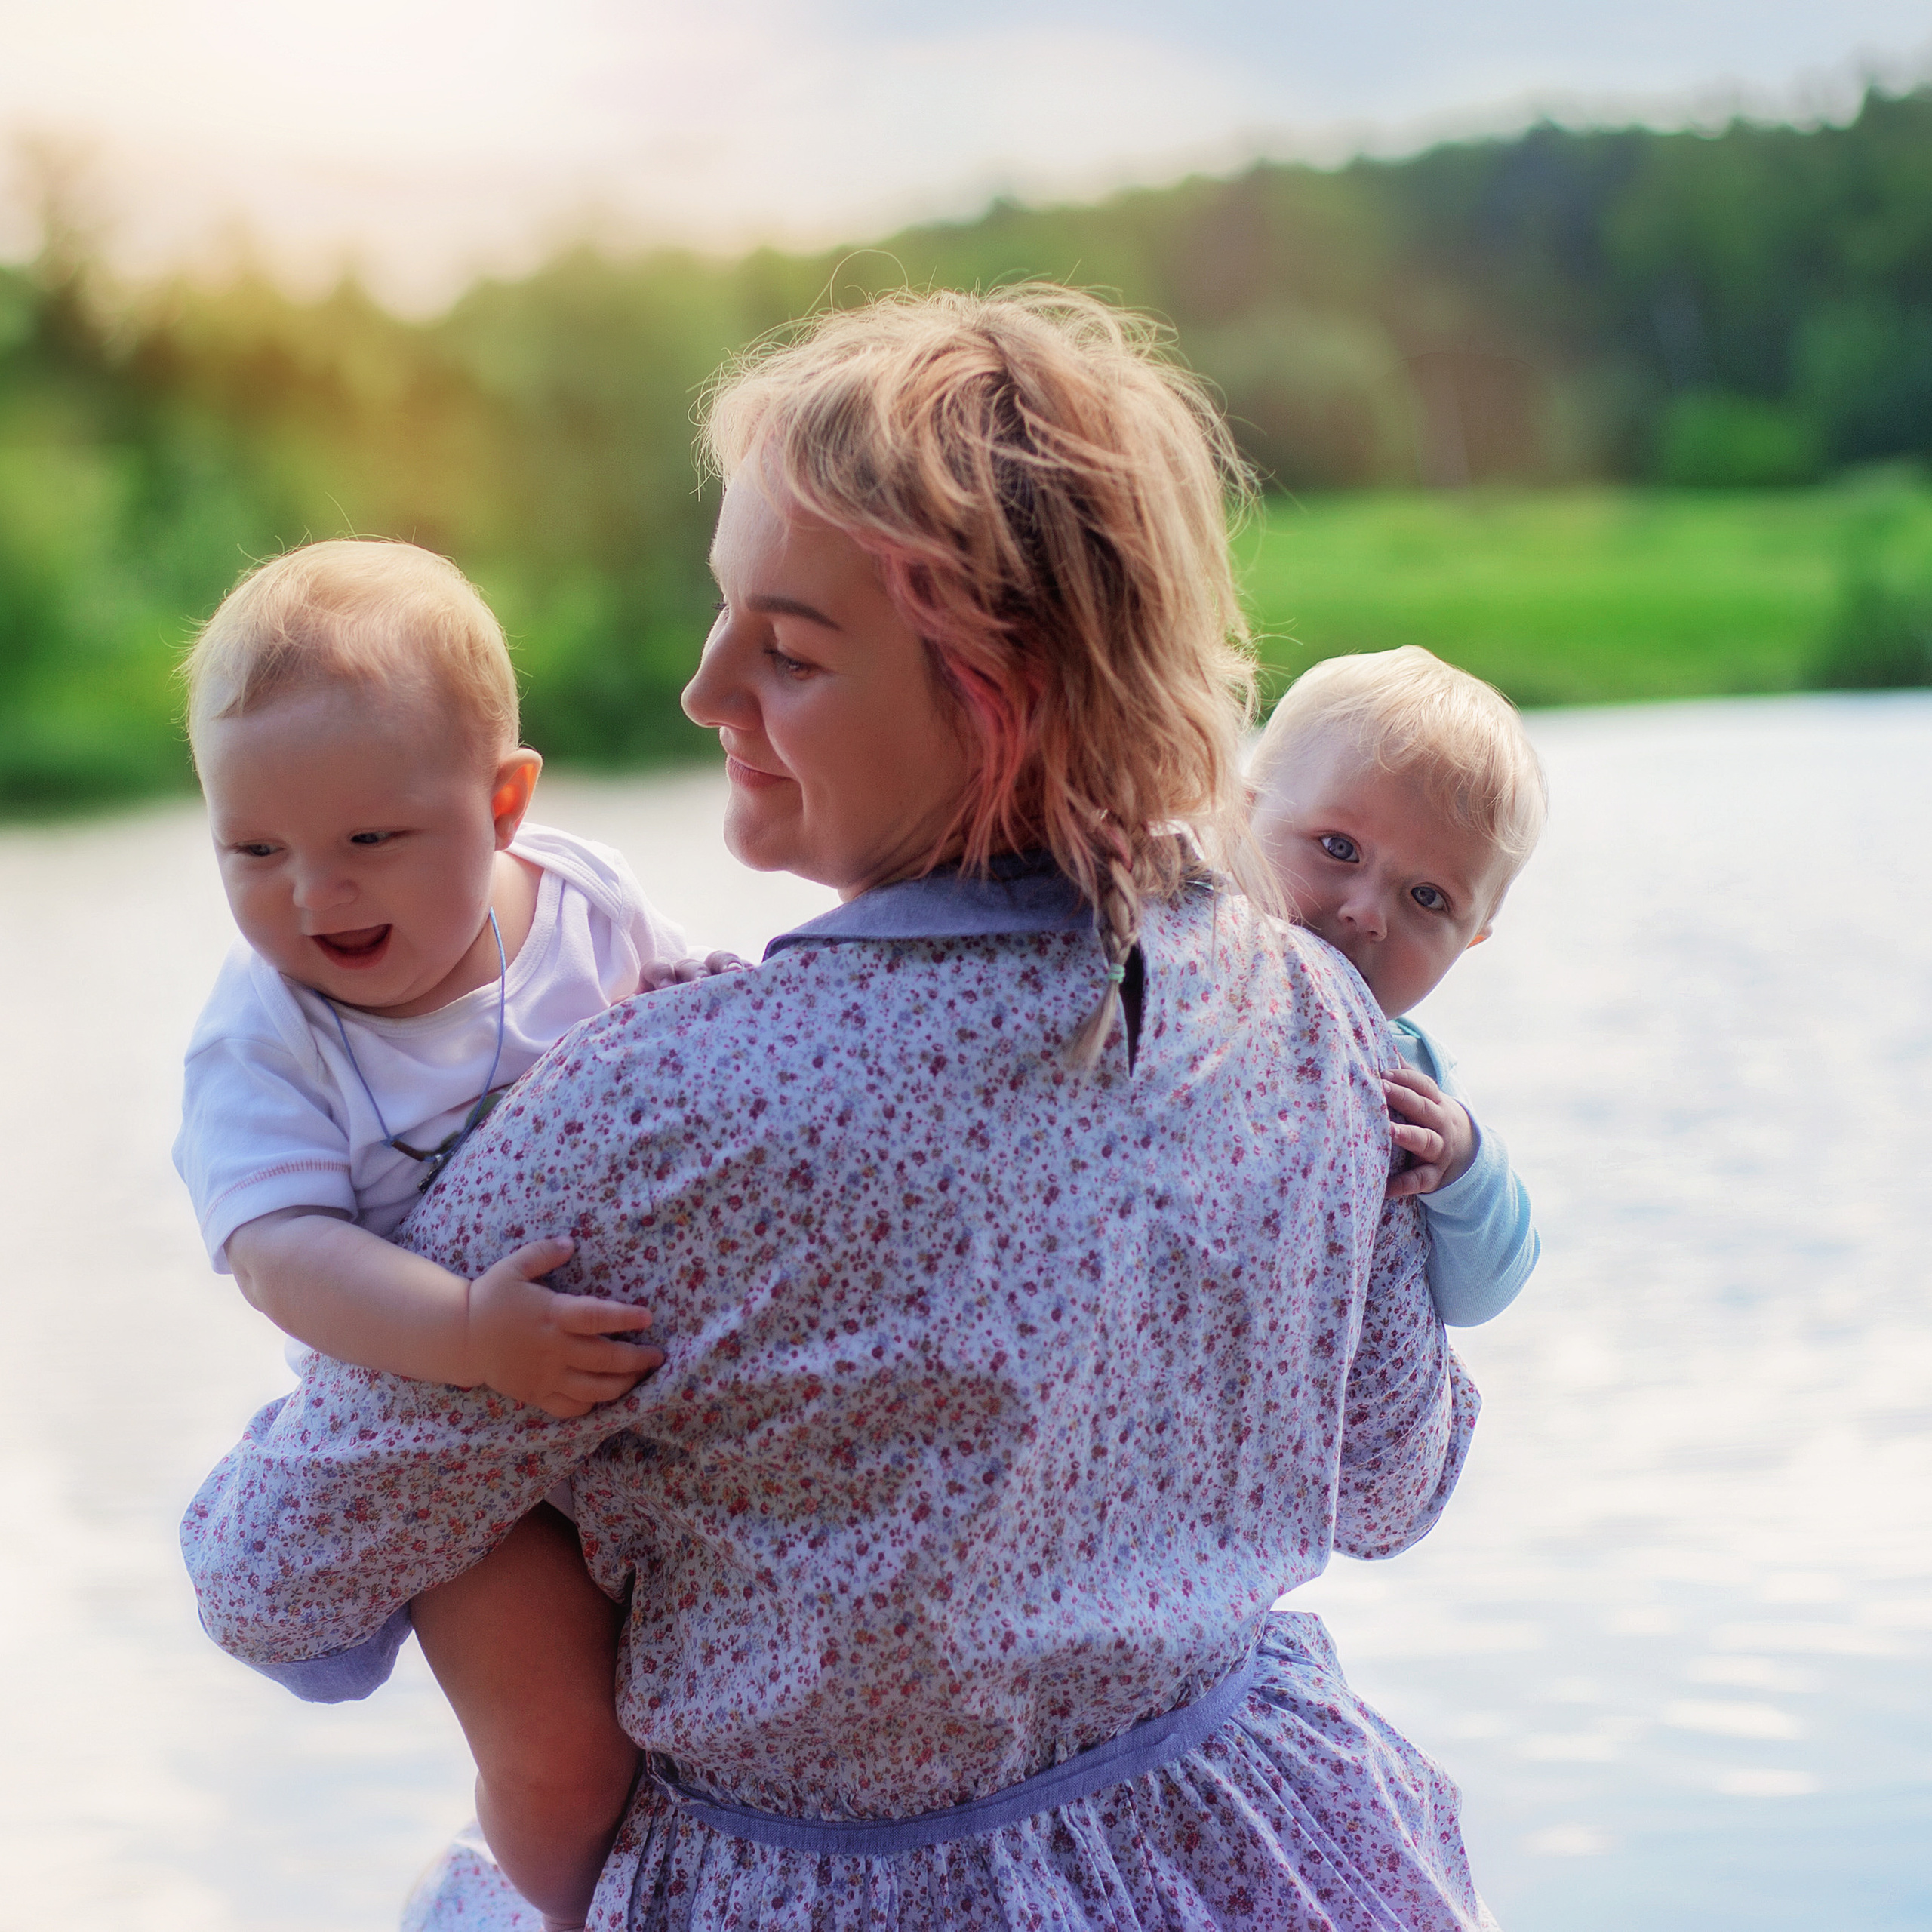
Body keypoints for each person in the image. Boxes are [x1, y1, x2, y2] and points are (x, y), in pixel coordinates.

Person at [183, 286, 1495, 1932]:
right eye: (725, 614)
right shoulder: (1307, 1006)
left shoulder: (668, 1110)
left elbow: (268, 1569)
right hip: (1259, 1846)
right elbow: (1390, 1477)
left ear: (995, 694)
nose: (703, 687)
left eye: (787, 650)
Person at [173, 538, 731, 1917]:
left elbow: (689, 1030)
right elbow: (280, 1253)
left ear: (503, 804)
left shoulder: (585, 900)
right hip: (447, 1432)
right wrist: (467, 1335)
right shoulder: (267, 1035)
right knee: (563, 1757)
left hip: (638, 1388)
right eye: (254, 850)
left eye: (370, 840)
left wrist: (709, 993)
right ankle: (560, 1909)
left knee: (726, 1703)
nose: (314, 896)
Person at [1250, 646, 1546, 1325]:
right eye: (1339, 848)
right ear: (1241, 819)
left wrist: (1466, 1165)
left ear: (1469, 940)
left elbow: (1478, 1299)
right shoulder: (1170, 969)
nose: (1367, 913)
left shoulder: (1409, 1085)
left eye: (1426, 897)